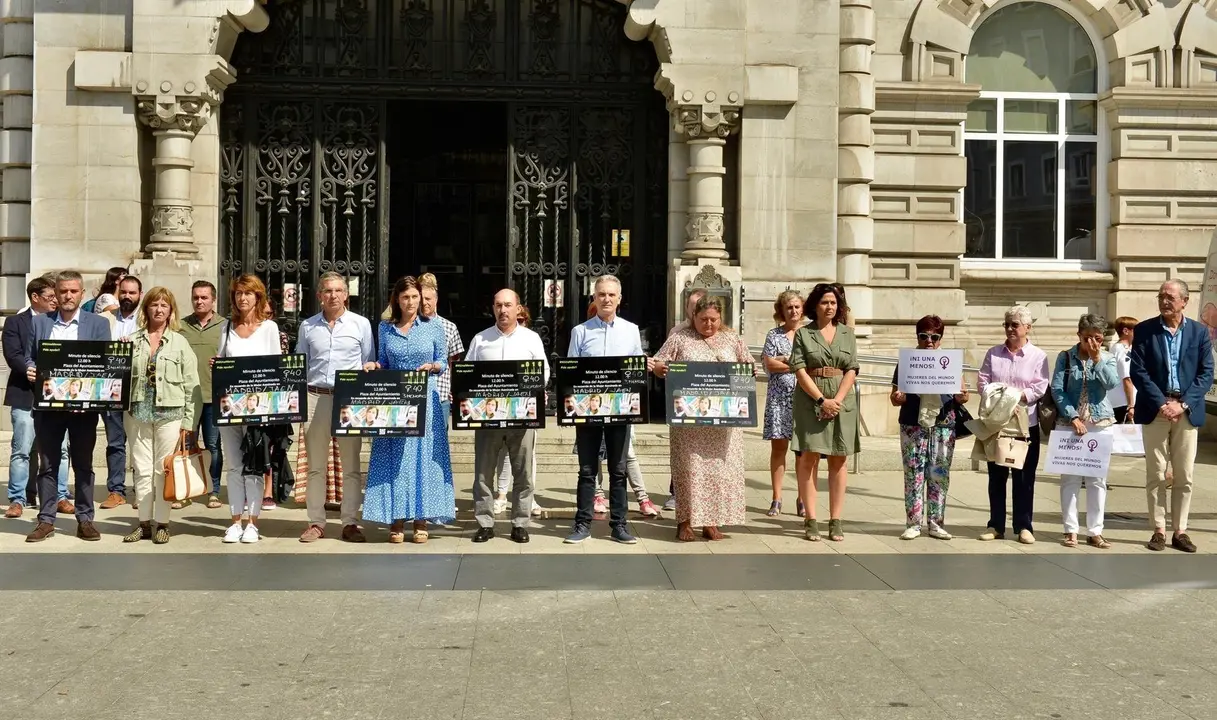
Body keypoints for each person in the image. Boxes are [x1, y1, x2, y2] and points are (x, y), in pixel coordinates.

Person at [653, 294, 754, 541]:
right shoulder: (680, 338)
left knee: (719, 471)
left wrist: (745, 374)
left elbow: (748, 366)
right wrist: (659, 369)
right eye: (703, 319)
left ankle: (711, 522)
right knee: (689, 470)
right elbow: (657, 363)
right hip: (689, 425)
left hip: (723, 423)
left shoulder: (732, 338)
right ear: (693, 317)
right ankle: (685, 522)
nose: (709, 324)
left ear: (721, 318)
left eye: (714, 320)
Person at [24, 270, 113, 542]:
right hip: (48, 408)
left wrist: (90, 396)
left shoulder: (98, 324)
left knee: (83, 465)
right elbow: (30, 356)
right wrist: (30, 368)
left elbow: (105, 364)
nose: (68, 296)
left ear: (82, 294)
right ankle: (46, 520)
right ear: (56, 293)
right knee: (48, 465)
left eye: (73, 291)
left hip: (83, 410)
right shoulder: (40, 322)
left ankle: (85, 519)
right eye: (63, 291)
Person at [365, 276, 453, 544]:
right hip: (394, 401)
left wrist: (433, 367)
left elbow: (443, 361)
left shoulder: (433, 326)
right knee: (396, 460)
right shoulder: (385, 328)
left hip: (425, 399)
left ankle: (421, 519)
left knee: (423, 459)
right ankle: (396, 518)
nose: (412, 302)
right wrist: (375, 366)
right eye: (406, 297)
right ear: (397, 300)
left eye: (415, 297)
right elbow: (383, 360)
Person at [1131, 279, 1214, 553]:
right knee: (1156, 473)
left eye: (1170, 297)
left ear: (1184, 301)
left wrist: (1183, 404)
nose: (1164, 301)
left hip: (1186, 411)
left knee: (1184, 474)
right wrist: (1161, 403)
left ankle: (1180, 531)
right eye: (1161, 296)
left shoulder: (1199, 333)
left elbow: (1206, 373)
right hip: (1155, 409)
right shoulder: (1145, 330)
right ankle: (1158, 530)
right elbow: (1138, 372)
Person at [564, 274, 648, 544]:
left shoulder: (631, 330)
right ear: (594, 298)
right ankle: (582, 524)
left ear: (619, 299)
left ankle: (619, 525)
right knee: (587, 470)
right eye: (601, 294)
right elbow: (571, 372)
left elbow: (636, 370)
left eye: (611, 295)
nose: (606, 299)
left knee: (618, 470)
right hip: (588, 411)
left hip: (620, 411)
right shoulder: (580, 331)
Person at [297, 272, 376, 544]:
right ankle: (316, 522)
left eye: (338, 290)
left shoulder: (361, 324)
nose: (333, 295)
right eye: (328, 291)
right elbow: (300, 362)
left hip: (348, 399)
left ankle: (350, 522)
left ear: (346, 294)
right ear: (320, 295)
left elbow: (368, 360)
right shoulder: (307, 326)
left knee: (351, 465)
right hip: (316, 396)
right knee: (316, 466)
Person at [466, 288, 548, 543]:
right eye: (499, 305)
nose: (503, 310)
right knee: (483, 474)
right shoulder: (480, 339)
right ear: (493, 308)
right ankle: (485, 523)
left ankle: (520, 524)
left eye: (508, 305)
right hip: (487, 418)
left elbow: (544, 373)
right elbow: (467, 373)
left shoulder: (531, 339)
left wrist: (532, 387)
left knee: (523, 474)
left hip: (521, 418)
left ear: (518, 308)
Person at [120, 287, 200, 545]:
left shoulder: (180, 342)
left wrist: (189, 422)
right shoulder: (132, 340)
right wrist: (119, 352)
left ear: (171, 310)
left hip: (171, 413)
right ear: (146, 308)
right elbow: (117, 377)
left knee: (163, 470)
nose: (159, 309)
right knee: (141, 469)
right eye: (154, 304)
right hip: (137, 412)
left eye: (164, 305)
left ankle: (163, 523)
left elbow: (192, 385)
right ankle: (143, 523)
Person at [790, 283, 860, 542]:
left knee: (838, 459)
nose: (829, 307)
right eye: (824, 302)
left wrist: (836, 401)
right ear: (815, 306)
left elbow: (852, 368)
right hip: (811, 400)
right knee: (808, 457)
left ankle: (835, 519)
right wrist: (821, 400)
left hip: (842, 400)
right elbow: (799, 370)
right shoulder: (804, 334)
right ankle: (810, 518)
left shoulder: (847, 334)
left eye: (833, 302)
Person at [890, 315, 968, 541]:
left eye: (935, 337)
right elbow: (894, 398)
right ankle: (913, 523)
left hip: (943, 424)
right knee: (913, 474)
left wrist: (962, 396)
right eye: (923, 336)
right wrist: (898, 397)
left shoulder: (949, 361)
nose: (929, 341)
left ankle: (936, 523)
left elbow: (963, 394)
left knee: (939, 474)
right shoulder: (907, 361)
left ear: (941, 338)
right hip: (913, 424)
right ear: (917, 336)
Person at [217, 274, 282, 544]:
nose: (242, 298)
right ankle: (235, 521)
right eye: (238, 293)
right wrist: (216, 364)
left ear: (258, 297)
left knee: (254, 465)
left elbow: (276, 367)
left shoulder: (269, 328)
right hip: (230, 406)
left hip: (257, 407)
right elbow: (222, 359)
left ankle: (253, 523)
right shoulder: (226, 327)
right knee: (234, 466)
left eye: (248, 293)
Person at [977, 305, 1050, 544]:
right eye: (1007, 324)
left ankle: (1024, 526)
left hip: (1024, 424)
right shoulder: (993, 353)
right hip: (997, 424)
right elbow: (983, 381)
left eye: (1015, 325)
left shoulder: (1038, 356)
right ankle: (995, 525)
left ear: (1027, 328)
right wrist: (1000, 397)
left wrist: (1014, 397)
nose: (1010, 328)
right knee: (996, 476)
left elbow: (1039, 387)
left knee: (1024, 478)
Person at [1051, 313, 1120, 549]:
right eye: (1087, 337)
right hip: (1069, 422)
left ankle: (1095, 531)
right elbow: (1057, 389)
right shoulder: (1065, 357)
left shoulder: (1107, 357)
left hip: (1099, 422)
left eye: (1098, 338)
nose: (1092, 342)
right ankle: (1070, 529)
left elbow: (1111, 383)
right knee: (1069, 479)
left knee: (1097, 480)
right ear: (1079, 335)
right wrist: (1072, 416)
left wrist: (1097, 358)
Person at [4, 276, 70, 519]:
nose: (56, 301)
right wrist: (29, 370)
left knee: (61, 449)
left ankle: (60, 496)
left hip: (57, 395)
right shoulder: (15, 322)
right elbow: (13, 354)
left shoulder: (60, 321)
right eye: (50, 297)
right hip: (25, 393)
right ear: (35, 297)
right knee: (22, 449)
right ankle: (18, 499)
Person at [762, 290, 809, 517]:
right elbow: (768, 364)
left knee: (802, 452)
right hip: (778, 399)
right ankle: (776, 498)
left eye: (797, 307)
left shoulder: (809, 334)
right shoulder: (774, 335)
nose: (793, 311)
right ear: (781, 310)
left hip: (803, 399)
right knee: (779, 448)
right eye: (789, 307)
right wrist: (794, 364)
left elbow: (813, 364)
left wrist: (784, 360)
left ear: (803, 309)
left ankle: (802, 498)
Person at [98, 274, 143, 510]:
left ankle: (142, 491)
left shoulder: (147, 320)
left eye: (132, 293)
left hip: (138, 390)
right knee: (115, 443)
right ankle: (116, 491)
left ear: (140, 295)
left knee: (140, 444)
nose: (127, 296)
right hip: (111, 389)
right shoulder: (103, 319)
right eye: (123, 292)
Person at [180, 280, 225, 509]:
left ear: (213, 300)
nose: (199, 301)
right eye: (196, 297)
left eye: (204, 297)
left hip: (213, 397)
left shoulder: (225, 326)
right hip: (187, 398)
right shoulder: (181, 326)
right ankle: (186, 490)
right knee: (186, 446)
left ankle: (213, 490)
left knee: (212, 446)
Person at [419, 272, 464, 417]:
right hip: (414, 395)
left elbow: (454, 362)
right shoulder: (408, 326)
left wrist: (454, 390)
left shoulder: (449, 327)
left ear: (436, 300)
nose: (424, 303)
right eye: (421, 298)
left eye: (428, 299)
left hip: (441, 394)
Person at [1107, 316, 1137, 423]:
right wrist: (1131, 405)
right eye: (1136, 330)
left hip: (1118, 402)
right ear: (1126, 331)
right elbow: (1126, 378)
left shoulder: (1116, 348)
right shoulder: (1122, 350)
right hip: (1124, 403)